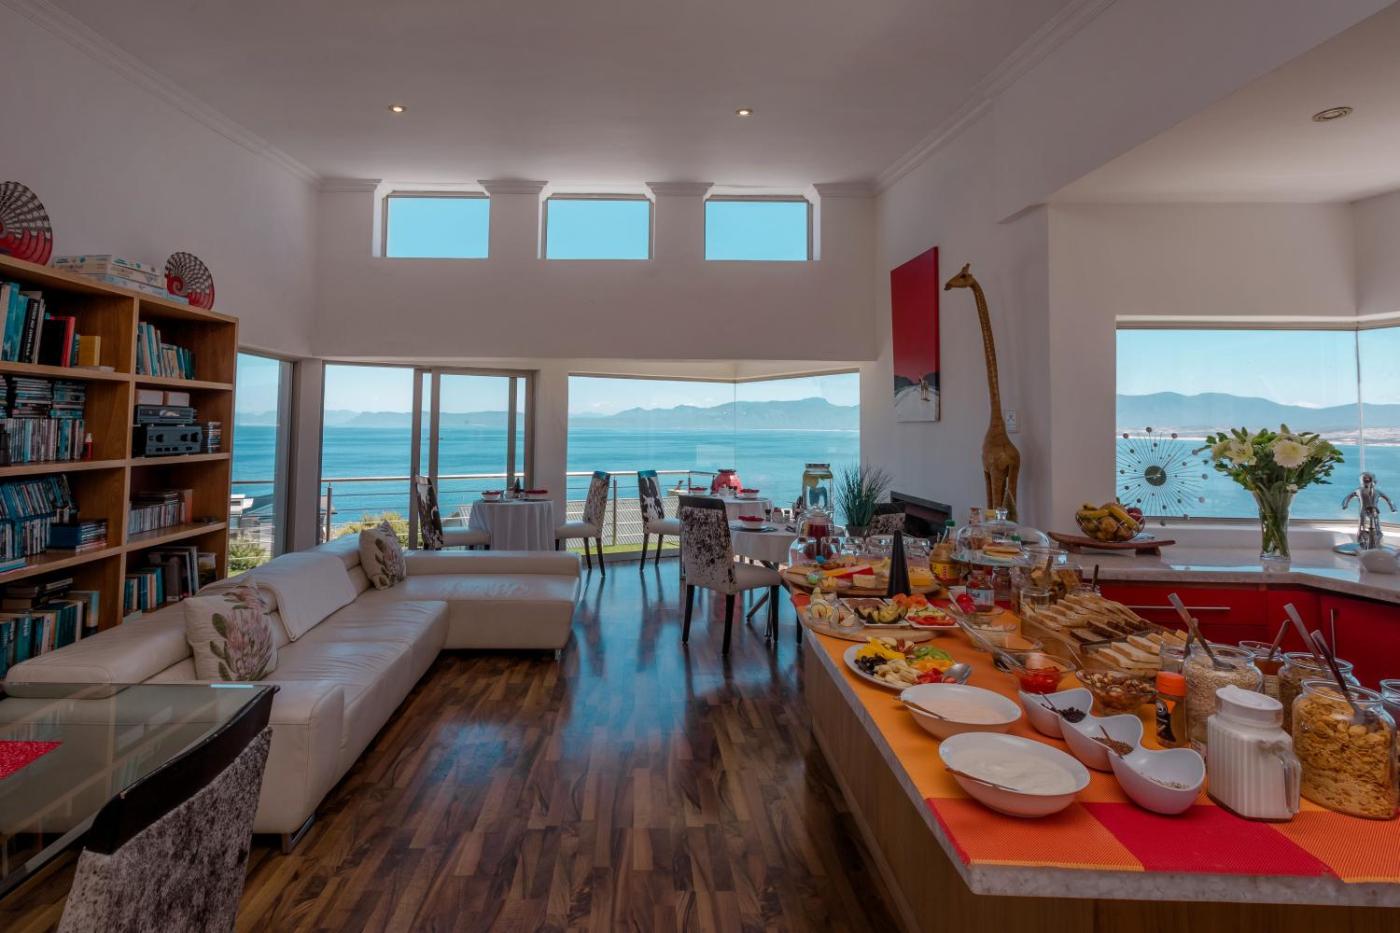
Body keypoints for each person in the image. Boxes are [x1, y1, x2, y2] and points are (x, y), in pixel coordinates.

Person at [1342, 472, 1396, 550]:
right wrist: (1345, 504)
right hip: (1364, 510)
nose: (1367, 481)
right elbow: (1348, 497)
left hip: (1373, 510)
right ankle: (1362, 541)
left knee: (1376, 526)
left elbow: (1388, 499)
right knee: (1362, 526)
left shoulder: (1375, 492)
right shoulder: (1359, 491)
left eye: (1368, 479)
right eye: (1365, 479)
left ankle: (1376, 540)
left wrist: (1393, 508)